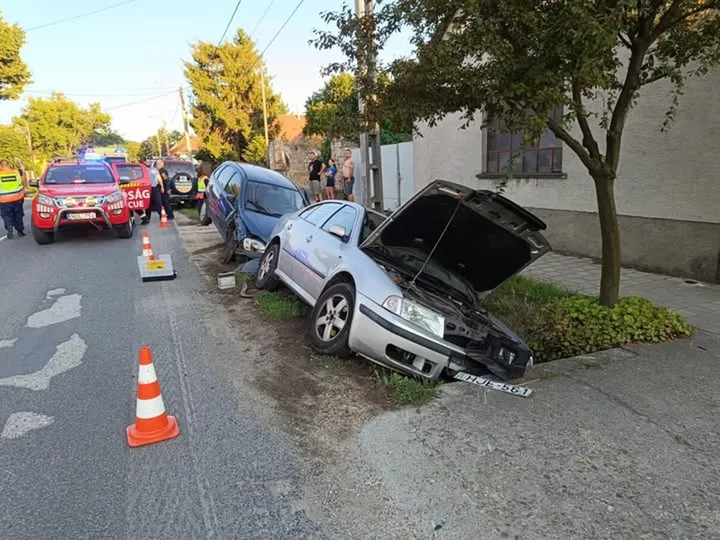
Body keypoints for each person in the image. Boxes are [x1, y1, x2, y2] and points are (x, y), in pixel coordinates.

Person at [0, 159, 28, 238]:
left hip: (4, 200)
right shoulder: (16, 172)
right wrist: (19, 162)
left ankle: (9, 228)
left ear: (0, 166)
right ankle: (20, 231)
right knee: (18, 215)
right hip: (17, 198)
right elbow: (23, 169)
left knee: (7, 215)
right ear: (9, 165)